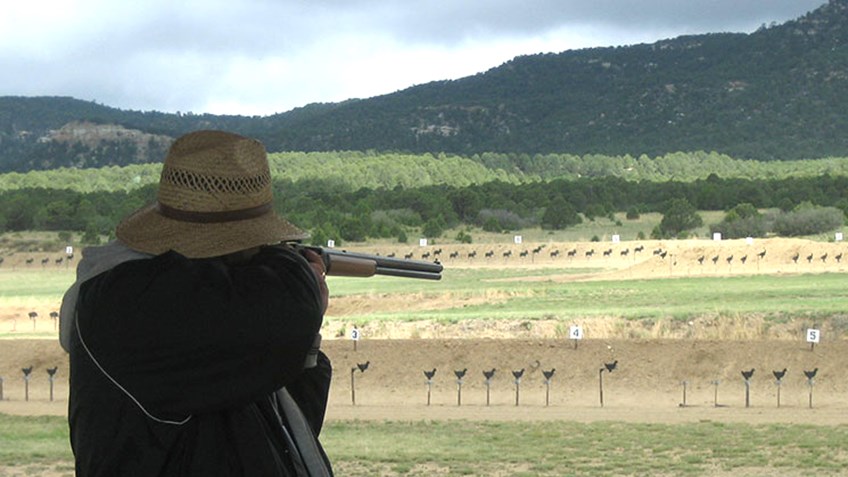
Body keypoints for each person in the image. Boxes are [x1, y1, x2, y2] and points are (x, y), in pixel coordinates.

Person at [60, 130, 333, 476]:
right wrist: (299, 271)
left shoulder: (205, 317)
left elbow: (276, 434)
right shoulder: (132, 302)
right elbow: (289, 311)